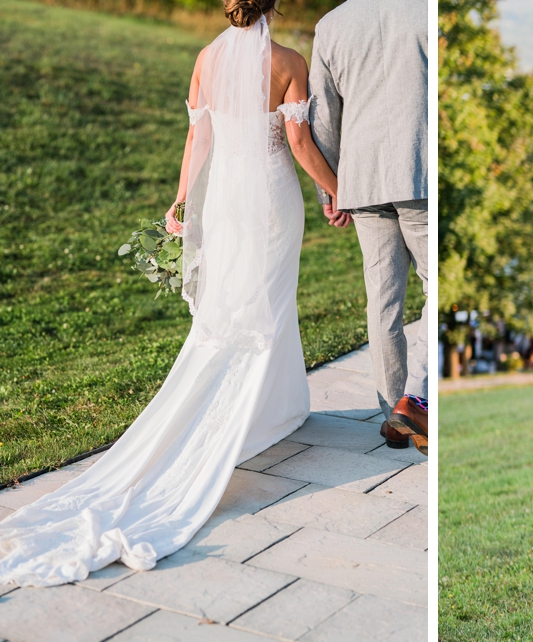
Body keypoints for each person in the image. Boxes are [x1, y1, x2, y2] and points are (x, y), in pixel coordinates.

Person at [0, 0, 342, 586]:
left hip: (227, 198)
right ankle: (238, 420)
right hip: (272, 198)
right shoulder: (289, 61)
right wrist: (341, 191)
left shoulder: (206, 58)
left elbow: (198, 141)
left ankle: (279, 408)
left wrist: (183, 201)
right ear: (273, 6)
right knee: (264, 306)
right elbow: (300, 143)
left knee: (234, 309)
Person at [310, 0, 430, 455]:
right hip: (419, 171)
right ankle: (416, 402)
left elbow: (323, 115)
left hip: (361, 180)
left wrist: (331, 191)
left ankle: (392, 418)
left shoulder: (331, 24)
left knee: (382, 300)